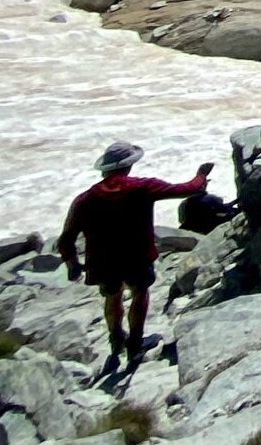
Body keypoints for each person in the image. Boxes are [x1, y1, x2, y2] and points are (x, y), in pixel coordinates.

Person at [57, 141, 212, 372]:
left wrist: (73, 264)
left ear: (105, 169)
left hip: (103, 261)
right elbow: (187, 189)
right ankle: (135, 345)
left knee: (112, 295)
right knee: (139, 294)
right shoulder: (143, 187)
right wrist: (201, 174)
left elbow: (66, 240)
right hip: (136, 256)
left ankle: (115, 338)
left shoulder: (85, 199)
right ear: (128, 167)